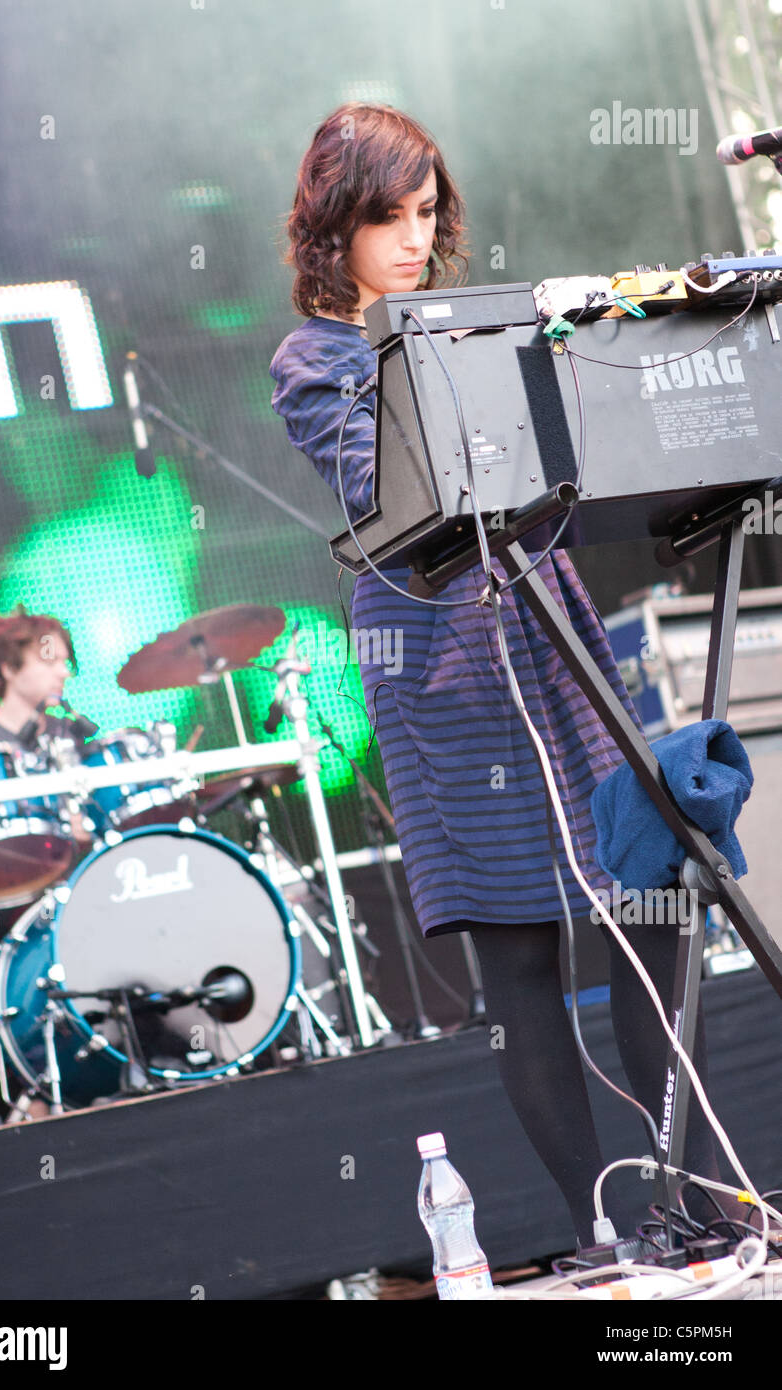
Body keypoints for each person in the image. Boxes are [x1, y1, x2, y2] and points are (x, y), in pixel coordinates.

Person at [269, 102, 743, 1248]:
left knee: (645, 899)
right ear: (333, 225)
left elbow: (556, 464)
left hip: (543, 623)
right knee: (520, 955)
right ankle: (600, 1229)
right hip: (437, 654)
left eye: (424, 213)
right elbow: (384, 485)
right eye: (386, 217)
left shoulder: (469, 322)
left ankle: (684, 1197)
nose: (411, 238)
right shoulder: (315, 359)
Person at [0, 605, 84, 753]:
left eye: (64, 662)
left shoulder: (68, 733)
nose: (64, 672)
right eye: (50, 661)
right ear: (10, 668)